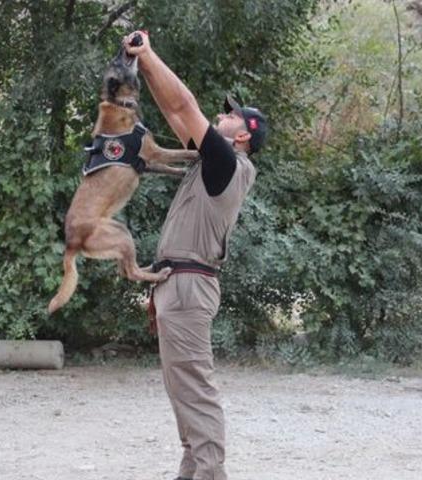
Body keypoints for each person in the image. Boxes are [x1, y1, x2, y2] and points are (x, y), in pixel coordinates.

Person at [123, 31, 267, 480]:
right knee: (183, 393)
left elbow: (185, 107)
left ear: (242, 135)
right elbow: (174, 111)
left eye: (230, 115)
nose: (221, 115)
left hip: (187, 288)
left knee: (195, 393)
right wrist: (142, 66)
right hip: (178, 287)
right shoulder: (212, 162)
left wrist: (148, 53)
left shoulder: (228, 164)